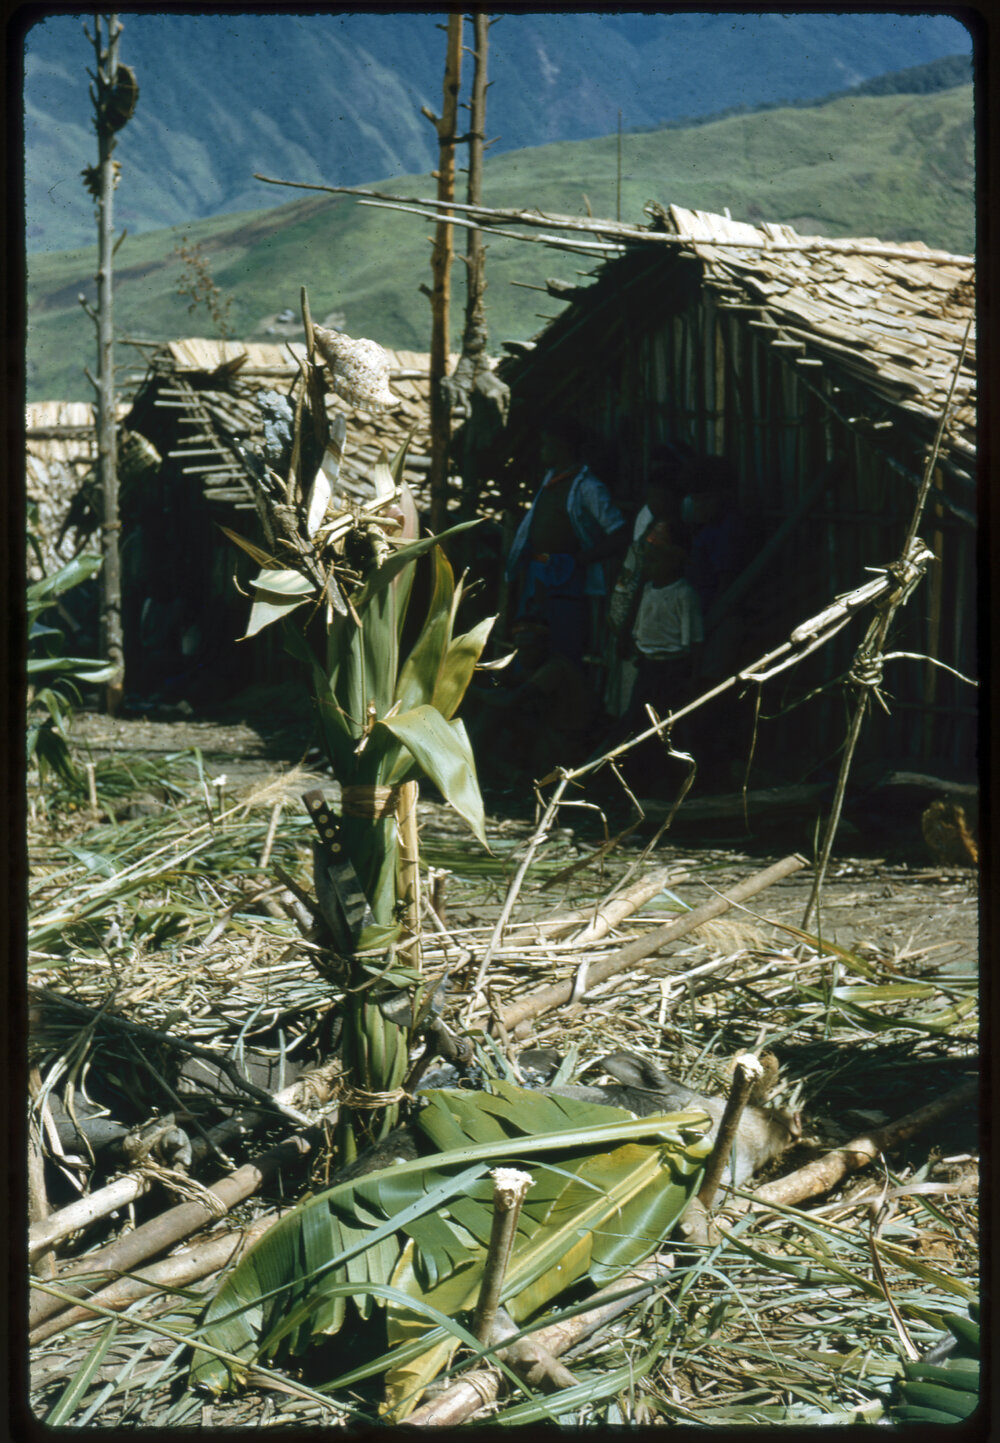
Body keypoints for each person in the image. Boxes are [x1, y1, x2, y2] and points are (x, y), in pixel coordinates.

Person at [506, 418, 627, 663]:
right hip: (538, 575)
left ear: (562, 447)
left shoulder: (588, 487)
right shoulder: (550, 482)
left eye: (546, 445)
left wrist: (579, 560)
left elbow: (620, 533)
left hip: (567, 577)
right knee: (531, 641)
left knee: (562, 644)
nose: (542, 451)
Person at [471, 620, 593, 778]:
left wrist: (470, 690)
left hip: (564, 740)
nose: (522, 654)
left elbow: (509, 701)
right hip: (550, 733)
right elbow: (508, 685)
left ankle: (474, 760)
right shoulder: (536, 666)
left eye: (529, 649)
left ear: (543, 648)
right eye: (519, 649)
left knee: (495, 711)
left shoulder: (554, 668)